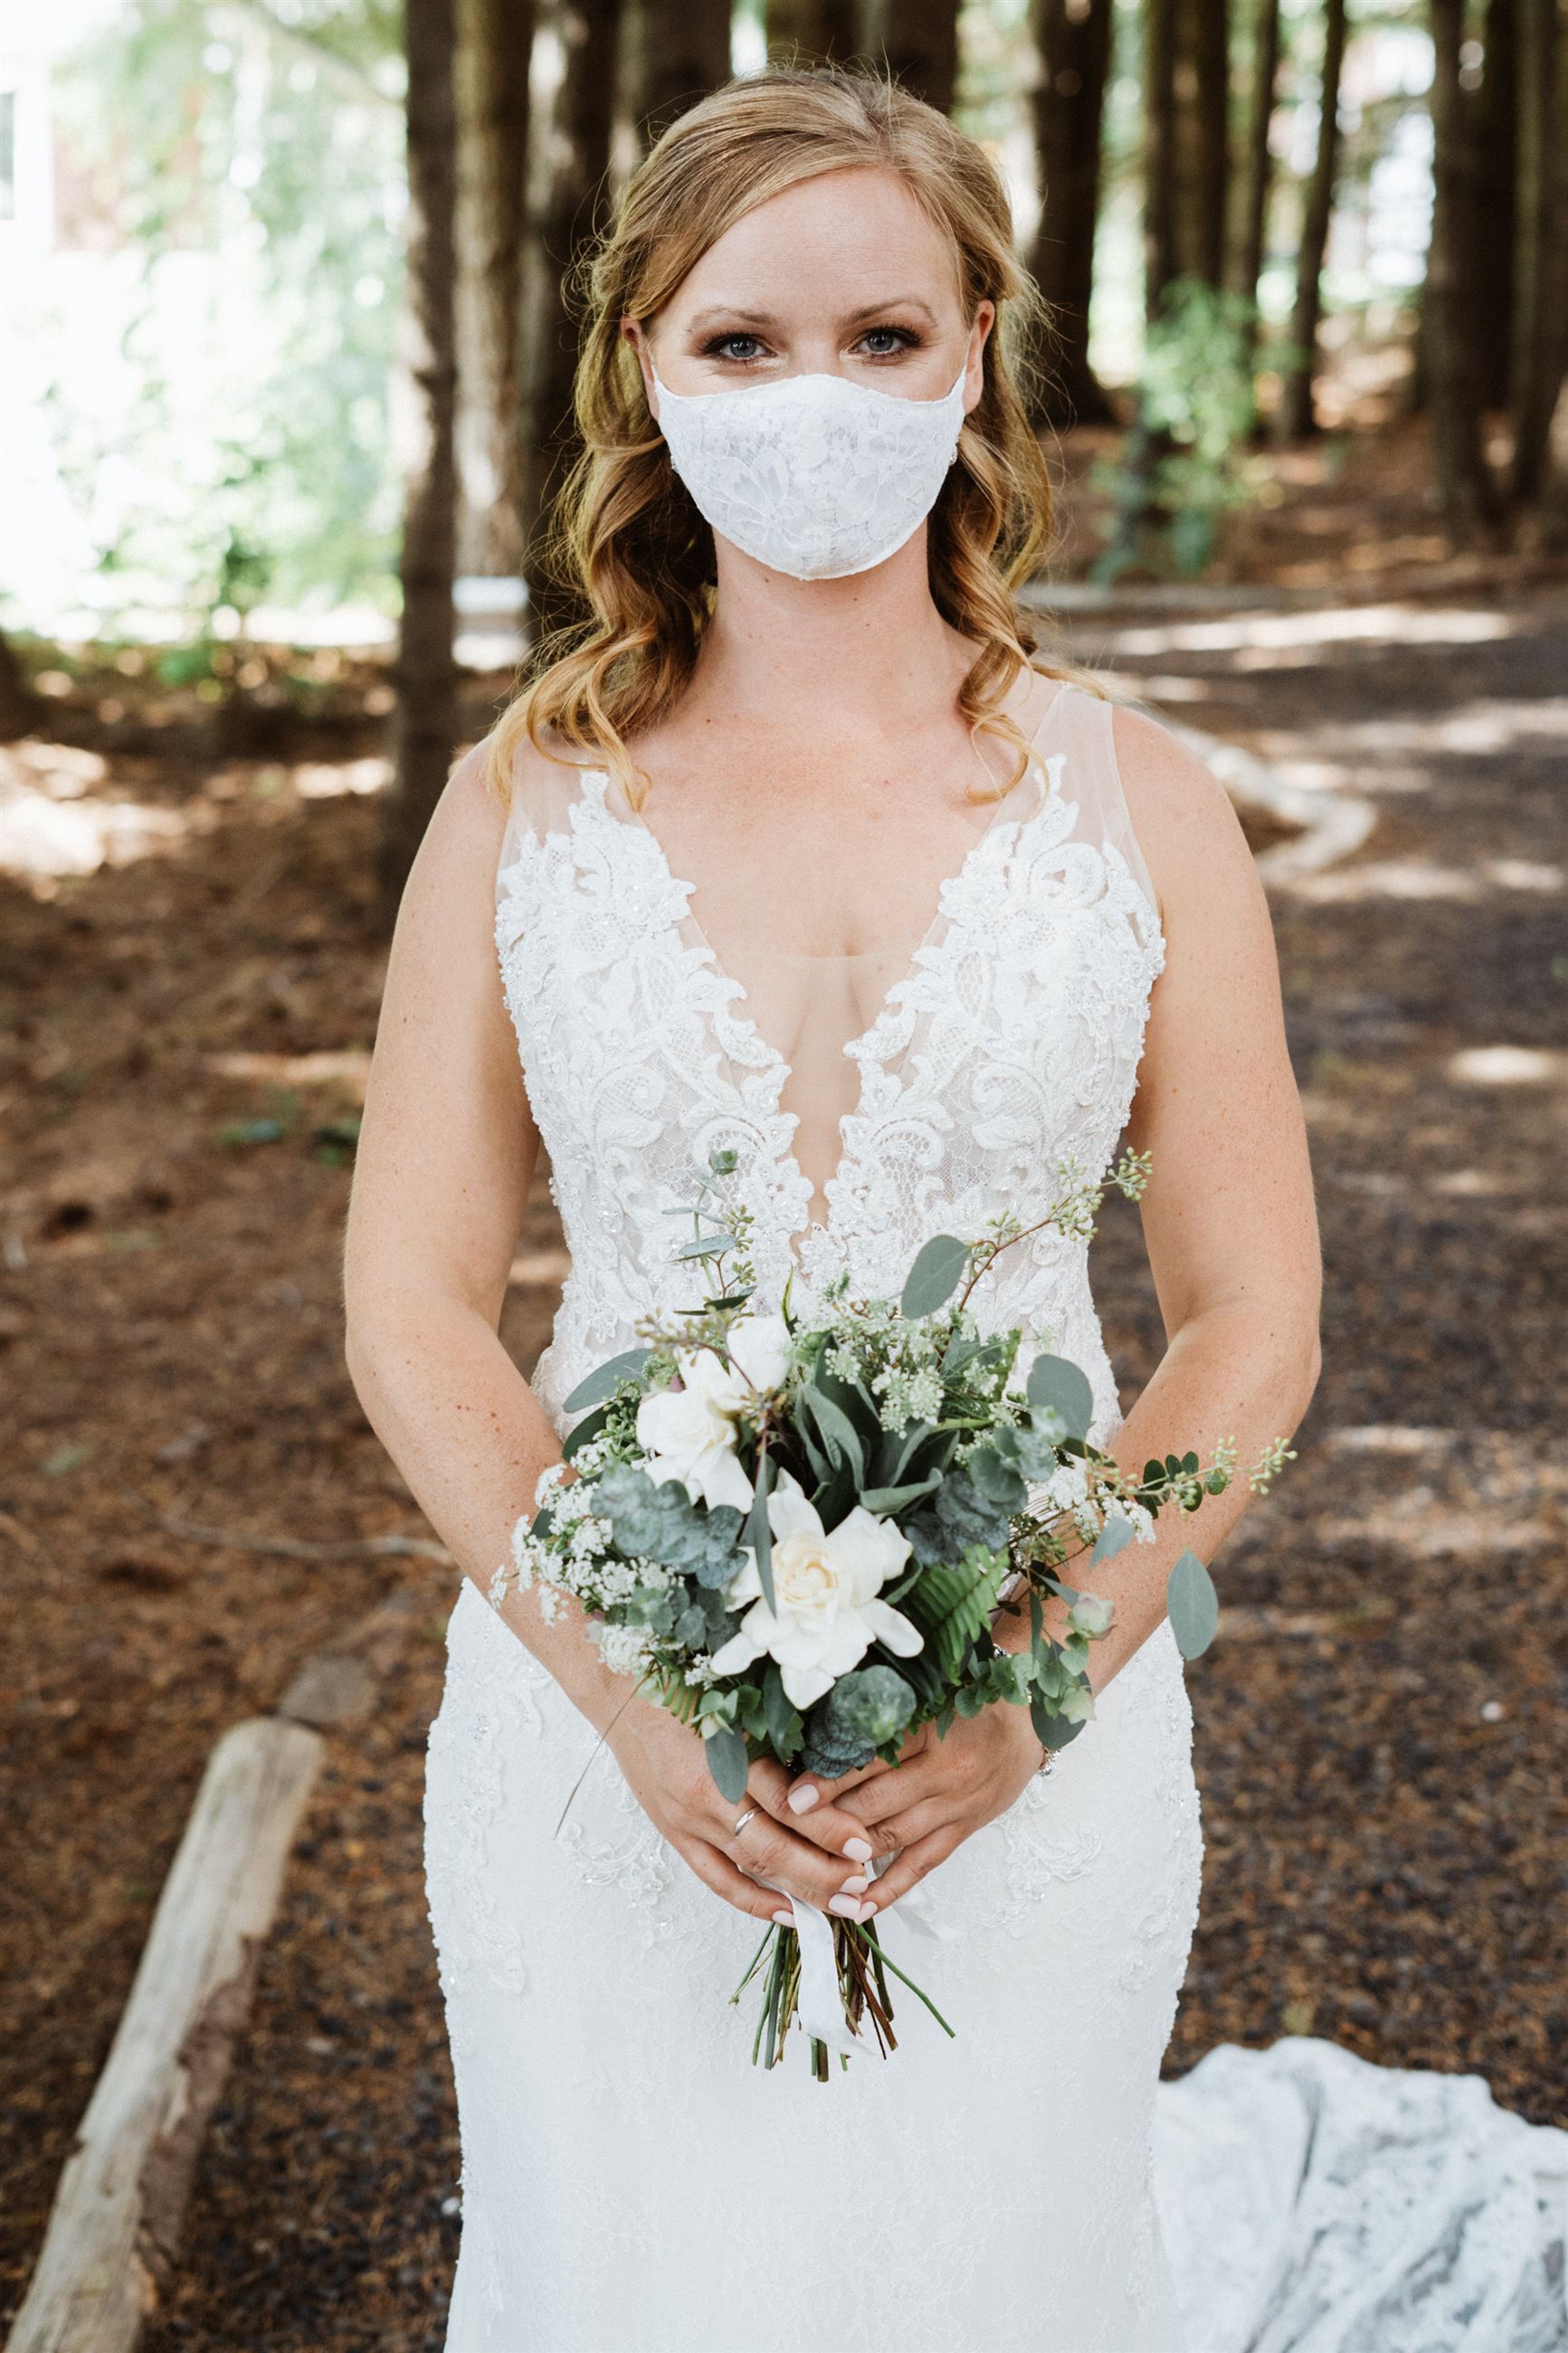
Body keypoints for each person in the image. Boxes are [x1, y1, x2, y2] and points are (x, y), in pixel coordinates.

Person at [343, 65, 1567, 2353]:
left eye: (885, 336)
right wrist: (619, 1700)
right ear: (647, 376)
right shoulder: (518, 805)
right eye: (743, 342)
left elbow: (1252, 1318)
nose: (820, 394)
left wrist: (1040, 1682)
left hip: (1035, 1753)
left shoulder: (1146, 802)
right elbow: (412, 1307)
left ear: (980, 353)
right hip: (594, 1759)